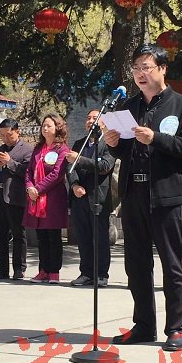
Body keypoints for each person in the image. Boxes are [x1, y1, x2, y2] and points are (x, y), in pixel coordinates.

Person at [104, 43, 182, 351]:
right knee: (136, 264)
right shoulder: (128, 107)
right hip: (134, 193)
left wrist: (155, 138)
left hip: (166, 196)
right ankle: (144, 326)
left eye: (146, 67)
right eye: (136, 69)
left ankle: (177, 329)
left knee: (172, 264)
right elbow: (125, 151)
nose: (140, 74)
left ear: (162, 69)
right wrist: (114, 143)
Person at [66, 110, 115, 287]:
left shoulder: (109, 143)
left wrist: (79, 160)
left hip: (98, 198)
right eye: (88, 118)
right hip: (79, 197)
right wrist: (74, 185)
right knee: (83, 237)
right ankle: (86, 273)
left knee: (100, 239)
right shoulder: (80, 143)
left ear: (103, 123)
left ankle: (101, 274)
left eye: (95, 118)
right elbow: (69, 166)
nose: (90, 121)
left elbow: (105, 166)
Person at [23, 114, 70, 284]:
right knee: (41, 236)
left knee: (53, 235)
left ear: (57, 128)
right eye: (43, 125)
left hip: (53, 199)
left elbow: (57, 174)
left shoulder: (62, 149)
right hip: (36, 198)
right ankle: (43, 270)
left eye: (49, 125)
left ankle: (54, 272)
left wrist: (38, 188)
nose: (45, 128)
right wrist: (30, 187)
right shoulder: (38, 148)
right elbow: (29, 171)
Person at [0, 118, 33, 280]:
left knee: (18, 234)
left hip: (15, 196)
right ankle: (2, 268)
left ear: (17, 132)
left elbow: (28, 172)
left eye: (9, 135)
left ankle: (19, 268)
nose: (6, 138)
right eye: (3, 135)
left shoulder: (27, 150)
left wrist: (9, 163)